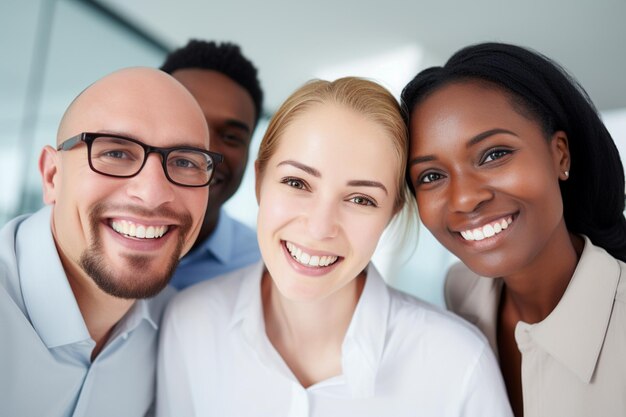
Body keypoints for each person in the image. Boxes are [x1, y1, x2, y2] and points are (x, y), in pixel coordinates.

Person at [157, 77, 513, 417]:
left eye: (360, 199)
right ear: (260, 181)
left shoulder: (457, 364)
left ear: (391, 214)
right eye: (297, 182)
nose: (319, 227)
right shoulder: (190, 322)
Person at [402, 42, 626, 417]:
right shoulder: (461, 292)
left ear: (560, 154)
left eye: (493, 154)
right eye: (432, 175)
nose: (464, 199)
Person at [0, 67, 222, 417]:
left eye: (184, 162)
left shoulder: (181, 331)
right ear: (52, 176)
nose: (152, 194)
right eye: (115, 153)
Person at [161, 40, 264, 290]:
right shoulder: (94, 238)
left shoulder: (264, 272)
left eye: (230, 137)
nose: (207, 152)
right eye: (188, 122)